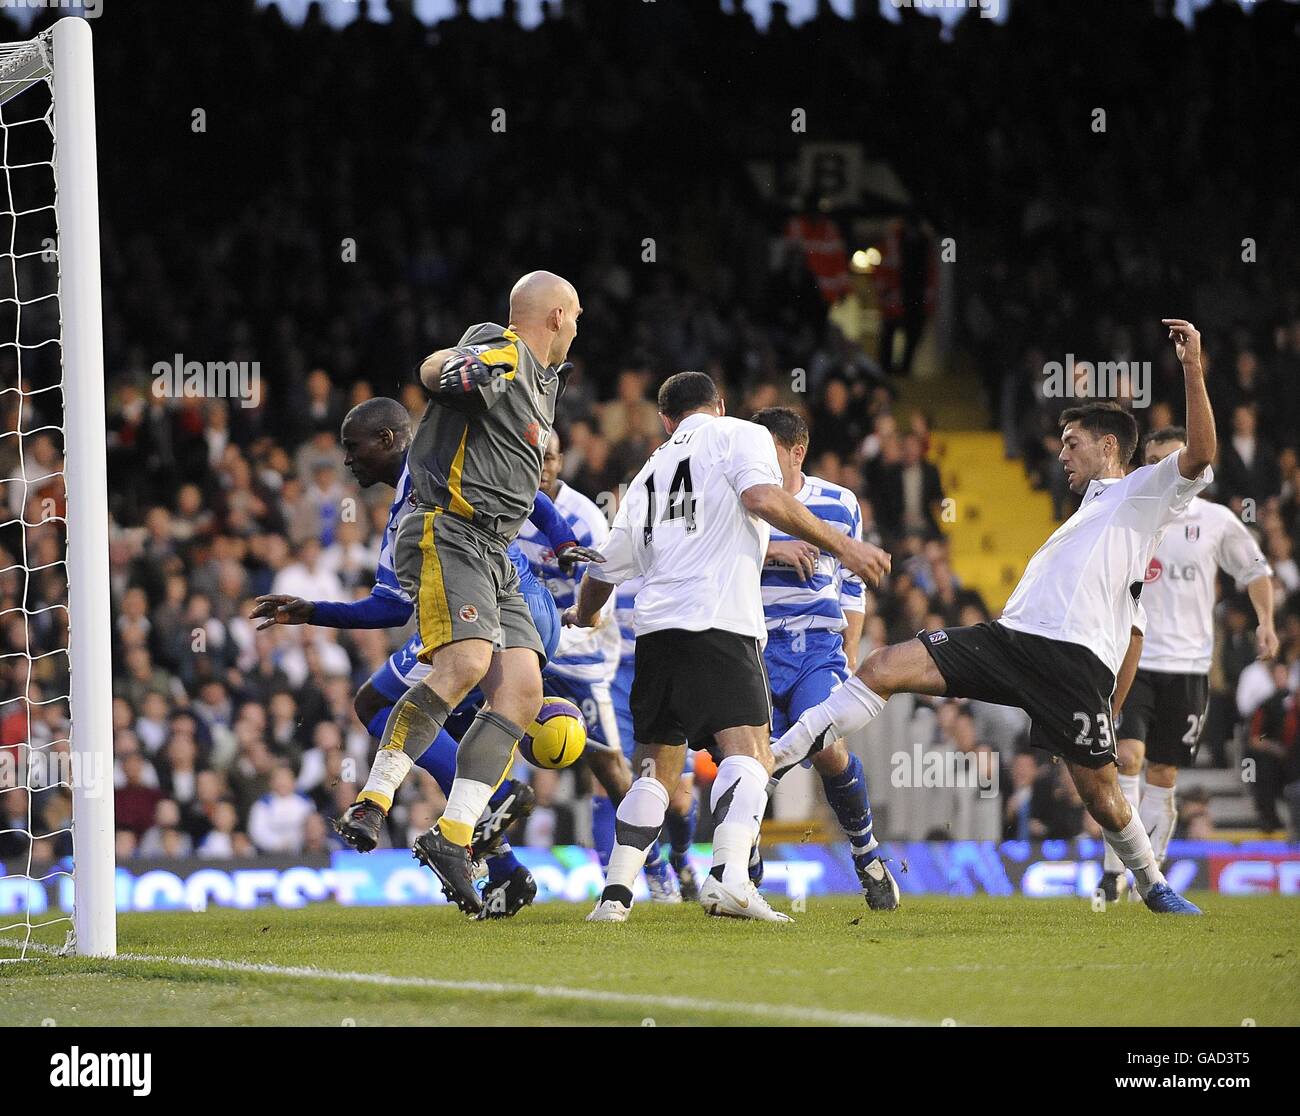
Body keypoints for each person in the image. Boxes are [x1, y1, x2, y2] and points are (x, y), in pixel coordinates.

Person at [772, 321, 1217, 916]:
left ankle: (1153, 884)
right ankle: (774, 759)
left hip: (1071, 664)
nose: (1061, 453)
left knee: (1102, 796)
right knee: (881, 665)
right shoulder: (1086, 516)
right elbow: (1131, 619)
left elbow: (1201, 455)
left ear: (1109, 446)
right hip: (1009, 642)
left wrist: (1191, 368)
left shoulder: (1141, 493)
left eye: (1072, 442)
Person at [250, 395, 598, 917]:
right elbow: (390, 607)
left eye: (354, 447)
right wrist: (311, 610)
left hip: (500, 605)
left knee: (378, 703)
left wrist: (565, 541)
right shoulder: (402, 515)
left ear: (387, 439)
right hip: (512, 611)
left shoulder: (432, 463)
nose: (348, 461)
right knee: (450, 722)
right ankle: (502, 865)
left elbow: (530, 495)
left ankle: (458, 804)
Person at [566, 371, 889, 922]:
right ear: (719, 405)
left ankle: (616, 897)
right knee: (752, 756)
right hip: (720, 624)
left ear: (666, 419)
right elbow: (763, 497)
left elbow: (607, 566)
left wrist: (583, 613)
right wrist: (846, 547)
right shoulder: (743, 434)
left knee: (656, 774)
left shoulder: (649, 470)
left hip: (657, 634)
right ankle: (731, 879)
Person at [327, 271, 582, 915]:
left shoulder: (541, 380)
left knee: (521, 693)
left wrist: (561, 540)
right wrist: (444, 368)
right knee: (465, 664)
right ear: (553, 317)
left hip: (494, 550)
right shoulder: (502, 353)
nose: (577, 328)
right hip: (453, 532)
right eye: (574, 316)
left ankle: (454, 835)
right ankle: (373, 799)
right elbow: (440, 368)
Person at [1102, 425, 1276, 899]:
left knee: (1163, 773)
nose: (1170, 471)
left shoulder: (1216, 520)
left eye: (1175, 460)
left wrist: (1266, 622)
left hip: (1190, 666)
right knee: (1128, 757)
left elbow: (1255, 570)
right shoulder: (1132, 513)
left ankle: (1149, 873)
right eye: (1157, 461)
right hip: (1134, 657)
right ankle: (1115, 867)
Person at [516, 431, 681, 901]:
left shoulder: (584, 517)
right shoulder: (506, 509)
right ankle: (493, 863)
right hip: (525, 650)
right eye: (534, 457)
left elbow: (600, 596)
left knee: (607, 764)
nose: (542, 465)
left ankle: (651, 866)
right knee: (492, 737)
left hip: (580, 653)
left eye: (549, 457)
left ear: (561, 460)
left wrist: (567, 622)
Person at [751, 407, 900, 910]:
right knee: (745, 756)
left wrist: (851, 649)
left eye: (768, 452)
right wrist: (775, 550)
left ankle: (867, 854)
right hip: (754, 643)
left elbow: (853, 585)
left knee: (825, 748)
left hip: (817, 646)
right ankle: (743, 866)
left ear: (797, 452)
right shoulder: (743, 501)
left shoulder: (839, 503)